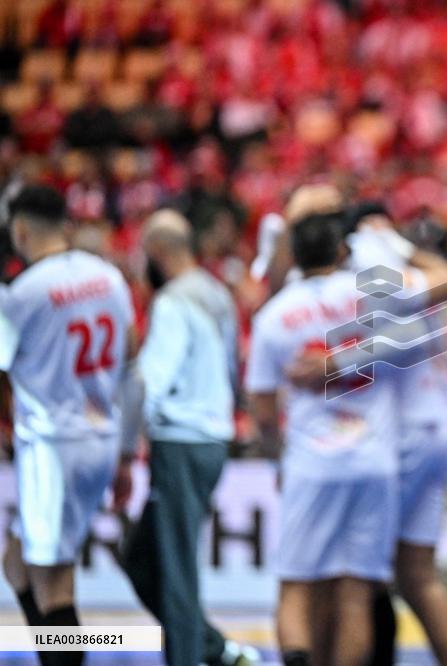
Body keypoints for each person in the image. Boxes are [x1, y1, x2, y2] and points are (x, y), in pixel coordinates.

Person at [246, 211, 447, 666]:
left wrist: (335, 364)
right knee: (369, 589)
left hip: (316, 458)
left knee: (302, 587)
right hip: (381, 452)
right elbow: (436, 312)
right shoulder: (369, 286)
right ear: (341, 248)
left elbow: (262, 410)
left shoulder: (276, 314)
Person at [0, 184, 137, 666]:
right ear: (68, 225)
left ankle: (62, 658)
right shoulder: (109, 278)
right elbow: (130, 351)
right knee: (17, 559)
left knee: (53, 582)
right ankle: (56, 651)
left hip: (51, 444)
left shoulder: (21, 294)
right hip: (99, 434)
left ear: (19, 231)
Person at [121, 209, 256, 666]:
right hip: (211, 438)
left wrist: (125, 443)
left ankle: (187, 658)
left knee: (175, 570)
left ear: (157, 253)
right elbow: (234, 366)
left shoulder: (173, 301)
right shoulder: (216, 293)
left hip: (180, 440)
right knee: (141, 559)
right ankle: (217, 651)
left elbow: (150, 381)